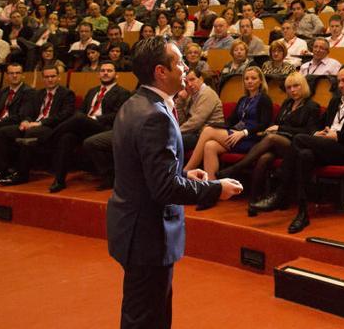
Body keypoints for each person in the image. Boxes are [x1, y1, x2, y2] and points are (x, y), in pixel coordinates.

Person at [106, 36, 241, 329]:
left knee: (142, 311)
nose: (185, 67)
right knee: (148, 317)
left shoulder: (134, 104)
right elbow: (164, 188)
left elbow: (147, 172)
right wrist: (216, 188)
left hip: (131, 227)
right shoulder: (156, 115)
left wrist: (183, 175)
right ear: (160, 72)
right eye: (179, 62)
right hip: (147, 234)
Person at [251, 66, 344, 234]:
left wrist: (338, 135)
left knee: (298, 139)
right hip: (325, 147)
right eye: (339, 81)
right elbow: (320, 124)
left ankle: (281, 191)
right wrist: (318, 132)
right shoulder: (334, 102)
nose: (340, 85)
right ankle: (302, 214)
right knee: (304, 155)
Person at [217, 72, 321, 215]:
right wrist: (271, 129)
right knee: (264, 159)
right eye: (289, 87)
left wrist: (280, 129)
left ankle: (237, 167)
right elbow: (276, 123)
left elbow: (309, 132)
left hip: (297, 145)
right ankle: (253, 202)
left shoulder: (312, 106)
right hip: (279, 143)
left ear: (303, 86)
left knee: (272, 139)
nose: (292, 90)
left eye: (296, 86)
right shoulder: (287, 103)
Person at [45, 61, 131, 192]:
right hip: (85, 126)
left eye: (109, 71)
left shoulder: (123, 93)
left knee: (79, 118)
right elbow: (81, 110)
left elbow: (118, 115)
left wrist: (95, 118)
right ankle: (59, 180)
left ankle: (47, 139)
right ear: (98, 74)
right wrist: (85, 118)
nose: (106, 73)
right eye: (103, 71)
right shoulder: (92, 91)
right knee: (67, 137)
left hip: (104, 128)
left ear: (116, 75)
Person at [0, 67, 76, 186]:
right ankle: (1, 171)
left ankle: (22, 174)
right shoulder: (38, 93)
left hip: (51, 127)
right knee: (3, 132)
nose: (50, 79)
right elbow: (29, 112)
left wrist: (41, 123)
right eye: (47, 77)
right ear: (43, 79)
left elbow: (65, 114)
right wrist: (26, 121)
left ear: (59, 77)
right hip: (33, 125)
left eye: (53, 76)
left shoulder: (67, 93)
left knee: (31, 133)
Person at [184, 66, 273, 176]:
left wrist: (244, 132)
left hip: (251, 139)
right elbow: (230, 122)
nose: (249, 81)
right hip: (235, 135)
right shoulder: (243, 99)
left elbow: (264, 124)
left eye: (253, 78)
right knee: (209, 146)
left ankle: (186, 171)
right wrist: (214, 125)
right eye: (246, 79)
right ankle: (211, 186)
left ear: (260, 81)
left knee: (208, 131)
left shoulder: (264, 99)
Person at [175, 66, 225, 152]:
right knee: (168, 140)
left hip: (210, 134)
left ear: (201, 79)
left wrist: (175, 132)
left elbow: (196, 122)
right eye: (186, 82)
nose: (189, 85)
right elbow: (183, 121)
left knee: (172, 140)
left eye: (192, 79)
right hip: (196, 132)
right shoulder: (191, 95)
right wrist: (180, 102)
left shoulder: (207, 93)